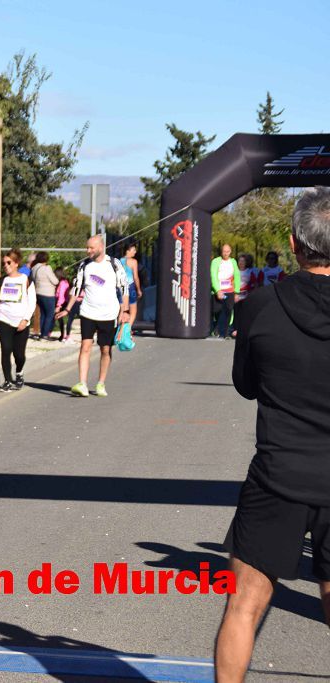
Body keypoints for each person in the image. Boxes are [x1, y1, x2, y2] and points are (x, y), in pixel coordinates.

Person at [214, 187, 330, 682]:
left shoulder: (261, 304)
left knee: (243, 605)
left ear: (293, 242)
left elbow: (245, 385)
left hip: (277, 473)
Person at [56, 236, 130, 397]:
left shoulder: (114, 264)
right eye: (87, 248)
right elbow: (76, 288)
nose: (88, 251)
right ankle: (82, 383)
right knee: (85, 347)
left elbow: (124, 288)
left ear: (101, 247)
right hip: (88, 312)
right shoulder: (85, 265)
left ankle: (101, 383)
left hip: (108, 314)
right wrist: (68, 309)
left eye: (91, 248)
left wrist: (124, 312)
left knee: (105, 349)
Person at [0, 249, 36, 392]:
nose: (6, 265)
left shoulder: (26, 280)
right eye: (4, 263)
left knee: (19, 354)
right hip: (4, 320)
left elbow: (32, 302)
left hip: (21, 323)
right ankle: (7, 380)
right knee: (6, 350)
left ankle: (19, 372)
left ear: (16, 263)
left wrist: (25, 320)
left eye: (9, 262)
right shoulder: (1, 281)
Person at [210, 244, 240, 339]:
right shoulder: (216, 261)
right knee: (217, 310)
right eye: (224, 251)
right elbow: (213, 276)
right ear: (221, 252)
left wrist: (236, 292)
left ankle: (225, 332)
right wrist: (217, 290)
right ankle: (216, 328)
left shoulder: (233, 262)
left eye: (227, 251)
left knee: (228, 311)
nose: (226, 253)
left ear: (230, 252)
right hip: (218, 291)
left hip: (230, 291)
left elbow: (237, 276)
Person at [31, 251, 59, 341]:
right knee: (50, 314)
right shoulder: (47, 268)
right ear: (46, 259)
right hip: (48, 294)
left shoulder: (34, 268)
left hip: (38, 293)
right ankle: (45, 335)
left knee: (43, 314)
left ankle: (42, 333)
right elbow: (55, 281)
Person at [120, 243, 143, 329]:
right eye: (133, 250)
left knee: (122, 309)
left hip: (121, 287)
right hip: (131, 287)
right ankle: (127, 329)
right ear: (128, 250)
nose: (135, 252)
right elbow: (136, 277)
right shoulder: (134, 261)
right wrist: (139, 289)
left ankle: (120, 329)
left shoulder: (119, 261)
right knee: (133, 310)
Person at [53, 267, 73, 342]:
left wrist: (59, 306)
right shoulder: (65, 282)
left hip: (62, 303)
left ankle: (62, 335)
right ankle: (62, 335)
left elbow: (61, 295)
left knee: (59, 319)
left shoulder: (62, 283)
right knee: (60, 320)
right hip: (63, 302)